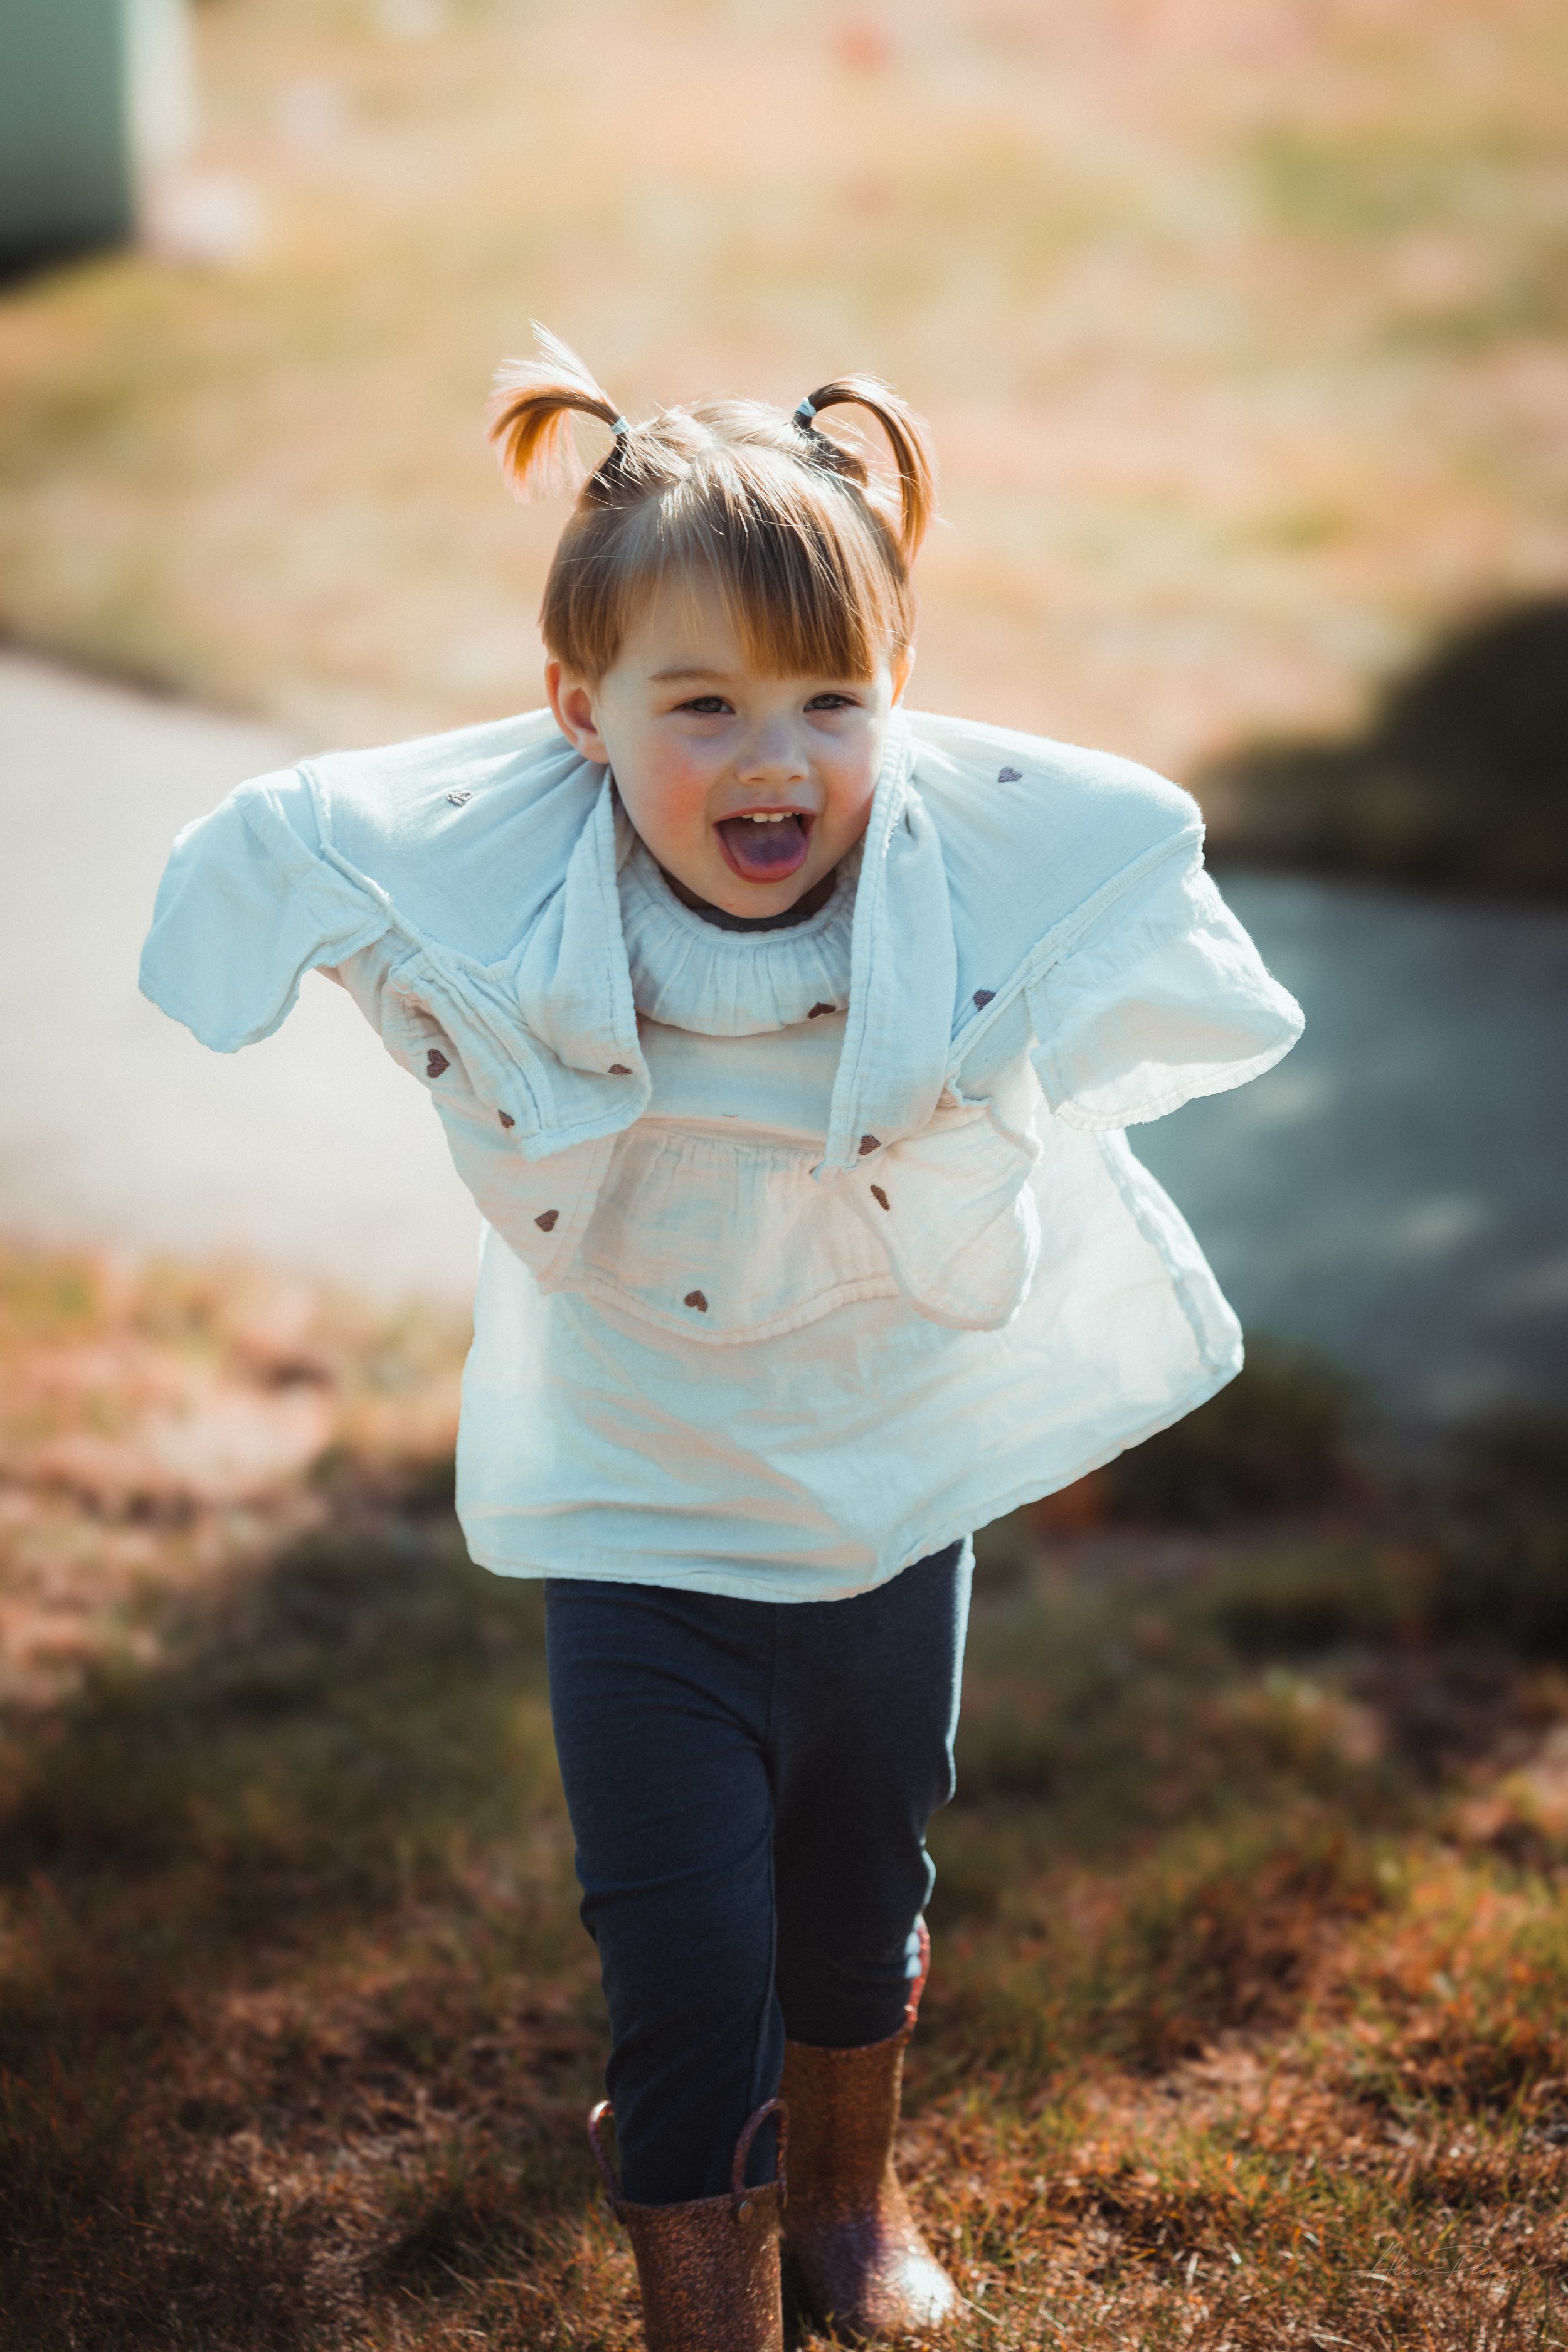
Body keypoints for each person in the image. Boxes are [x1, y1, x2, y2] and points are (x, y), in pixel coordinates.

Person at [140, 327, 1303, 2351]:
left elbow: (1116, 844)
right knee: (683, 1950)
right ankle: (707, 2301)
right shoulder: (518, 884)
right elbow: (316, 833)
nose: (773, 762)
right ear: (573, 715)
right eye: (701, 708)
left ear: (902, 702)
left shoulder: (946, 891)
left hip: (880, 1491)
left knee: (858, 1892)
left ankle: (846, 2201)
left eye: (829, 701)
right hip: (635, 1513)